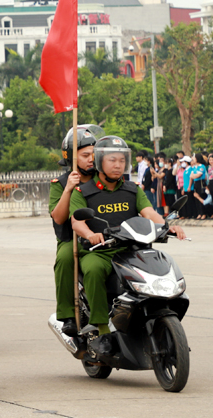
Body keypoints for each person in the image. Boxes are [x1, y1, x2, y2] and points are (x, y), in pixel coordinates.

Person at [69, 135, 186, 355]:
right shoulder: (83, 191)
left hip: (131, 249)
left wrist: (167, 226)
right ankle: (102, 330)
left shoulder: (133, 189)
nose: (118, 165)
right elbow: (77, 221)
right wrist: (90, 234)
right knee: (93, 270)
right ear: (100, 161)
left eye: (122, 160)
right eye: (112, 160)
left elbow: (149, 212)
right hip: (100, 251)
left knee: (160, 264)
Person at [48, 124, 102, 335]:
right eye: (85, 155)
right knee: (64, 259)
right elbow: (58, 217)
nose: (91, 159)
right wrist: (69, 188)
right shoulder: (60, 183)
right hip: (72, 238)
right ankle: (68, 314)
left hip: (102, 234)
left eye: (94, 154)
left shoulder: (103, 178)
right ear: (72, 158)